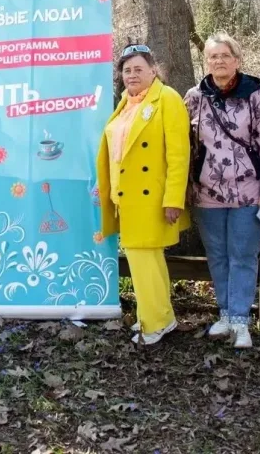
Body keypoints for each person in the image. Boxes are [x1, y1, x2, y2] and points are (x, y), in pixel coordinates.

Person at [184, 33, 260, 349]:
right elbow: (184, 144)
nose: (219, 61)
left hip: (248, 191)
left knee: (242, 253)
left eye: (225, 55)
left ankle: (241, 320)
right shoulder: (194, 97)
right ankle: (225, 313)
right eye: (213, 56)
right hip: (207, 192)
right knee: (217, 254)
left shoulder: (255, 96)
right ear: (206, 62)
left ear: (237, 60)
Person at [97, 44, 190, 346]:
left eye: (139, 69)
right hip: (126, 197)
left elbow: (179, 155)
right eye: (127, 70)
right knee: (147, 261)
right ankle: (160, 316)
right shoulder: (125, 102)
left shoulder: (168, 99)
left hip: (152, 198)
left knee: (143, 259)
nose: (132, 75)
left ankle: (154, 323)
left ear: (153, 70)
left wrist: (174, 199)